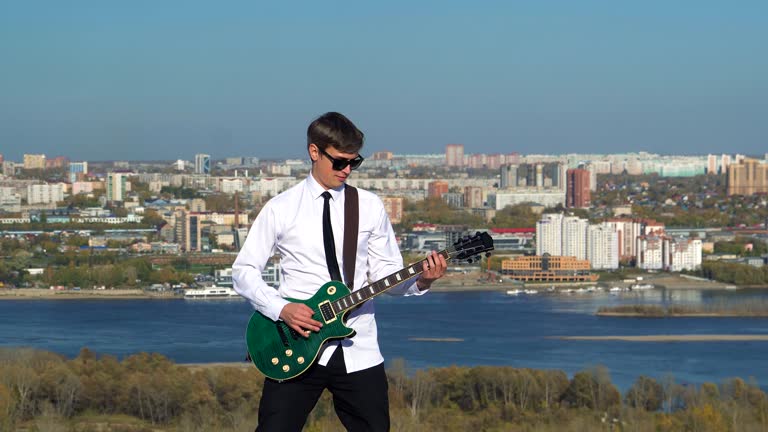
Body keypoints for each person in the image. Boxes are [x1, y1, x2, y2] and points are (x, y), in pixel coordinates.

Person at [232, 111, 447, 431]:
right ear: (314, 152)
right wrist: (282, 309)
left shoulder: (370, 206)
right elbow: (244, 271)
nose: (347, 170)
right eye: (339, 162)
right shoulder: (280, 208)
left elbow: (388, 275)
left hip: (359, 349)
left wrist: (422, 280)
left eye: (354, 162)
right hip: (295, 346)